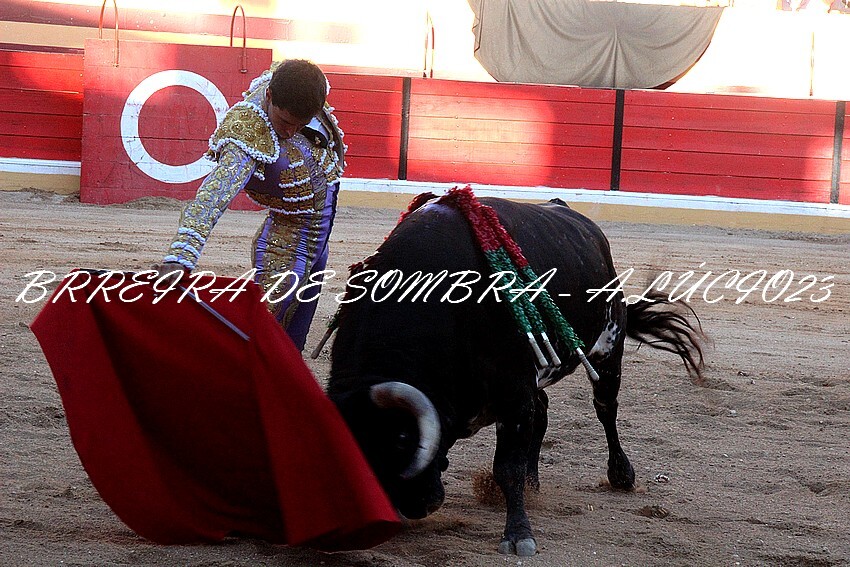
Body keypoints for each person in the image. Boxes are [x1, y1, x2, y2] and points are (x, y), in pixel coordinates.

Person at [154, 59, 345, 351]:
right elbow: (211, 198)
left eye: (300, 125)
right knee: (259, 336)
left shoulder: (299, 85)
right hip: (287, 240)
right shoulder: (247, 132)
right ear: (269, 96)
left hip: (319, 239)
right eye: (285, 122)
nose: (291, 132)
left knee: (291, 343)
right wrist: (180, 257)